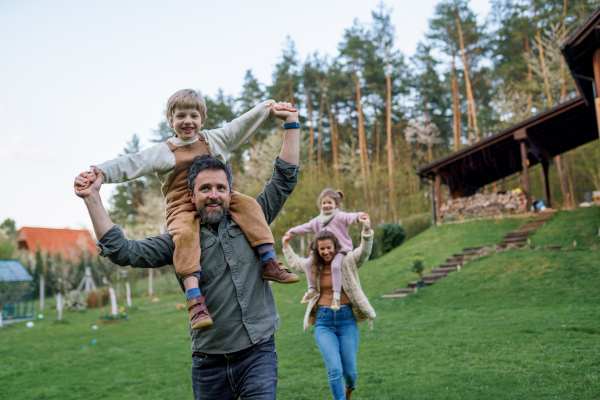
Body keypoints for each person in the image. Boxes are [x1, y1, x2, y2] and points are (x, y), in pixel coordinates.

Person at [74, 106, 300, 400]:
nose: (214, 194)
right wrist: (92, 199)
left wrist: (291, 124)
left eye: (221, 187)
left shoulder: (253, 220)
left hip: (258, 354)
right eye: (205, 188)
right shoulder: (179, 241)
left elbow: (283, 179)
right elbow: (123, 251)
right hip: (209, 364)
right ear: (191, 196)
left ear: (230, 193)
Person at [282, 220, 376, 400]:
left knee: (350, 372)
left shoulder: (347, 261)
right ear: (317, 249)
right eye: (322, 249)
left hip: (347, 320)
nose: (326, 252)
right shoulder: (313, 266)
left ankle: (349, 388)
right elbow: (295, 262)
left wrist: (366, 230)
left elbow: (363, 253)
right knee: (334, 369)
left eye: (329, 248)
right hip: (323, 322)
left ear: (335, 246)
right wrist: (285, 244)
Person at [285, 189, 368, 309]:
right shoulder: (318, 220)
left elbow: (350, 217)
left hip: (339, 250)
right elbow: (305, 227)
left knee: (335, 266)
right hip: (322, 251)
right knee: (308, 262)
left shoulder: (339, 216)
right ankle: (312, 289)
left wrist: (360, 216)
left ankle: (336, 296)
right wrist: (292, 232)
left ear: (336, 204)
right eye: (324, 203)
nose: (326, 205)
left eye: (329, 203)